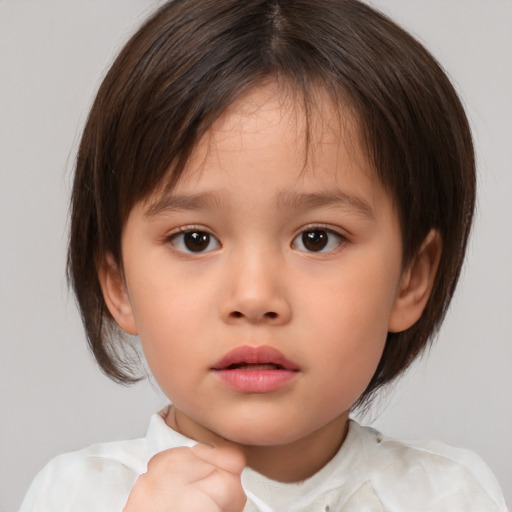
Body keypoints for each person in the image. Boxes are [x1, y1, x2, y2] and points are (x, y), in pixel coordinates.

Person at [20, 0, 508, 510]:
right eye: (195, 240)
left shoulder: (449, 496)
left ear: (411, 277)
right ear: (118, 283)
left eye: (317, 238)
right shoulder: (76, 495)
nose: (254, 298)